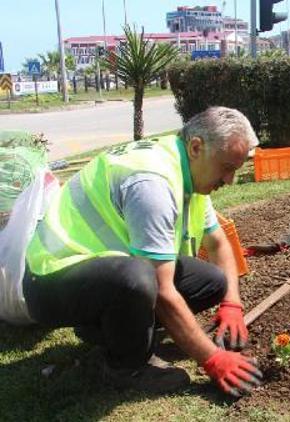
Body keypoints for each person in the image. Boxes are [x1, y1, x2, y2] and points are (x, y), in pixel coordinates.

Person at [22, 106, 262, 396]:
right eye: (226, 168)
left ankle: (110, 329)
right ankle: (127, 366)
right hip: (50, 281)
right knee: (138, 278)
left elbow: (218, 243)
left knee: (213, 281)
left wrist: (232, 304)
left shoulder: (186, 169)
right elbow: (161, 289)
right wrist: (212, 359)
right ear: (197, 146)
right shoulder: (153, 183)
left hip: (100, 274)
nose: (229, 180)